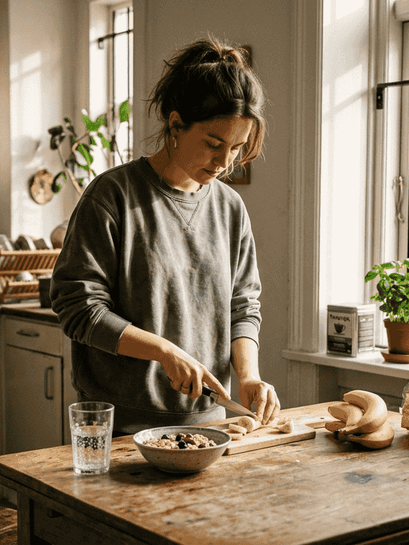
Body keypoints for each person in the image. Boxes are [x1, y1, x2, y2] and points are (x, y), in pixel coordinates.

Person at [50, 37, 281, 435]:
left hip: (210, 426)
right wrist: (163, 351)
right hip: (116, 429)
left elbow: (243, 306)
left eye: (237, 148)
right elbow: (79, 308)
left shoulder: (229, 208)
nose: (225, 163)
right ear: (175, 124)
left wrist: (248, 377)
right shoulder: (112, 196)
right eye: (213, 144)